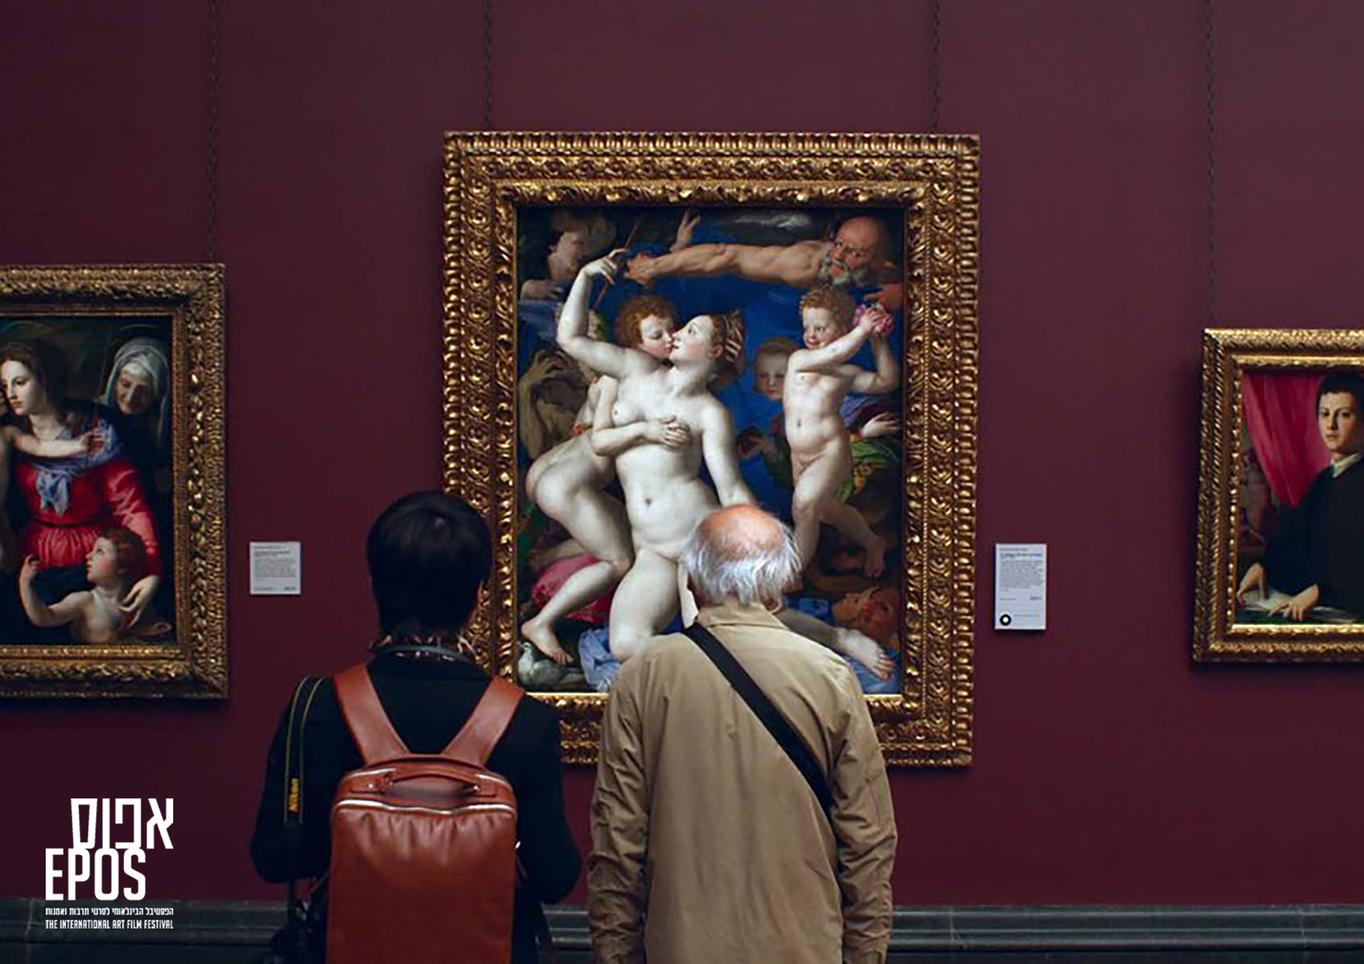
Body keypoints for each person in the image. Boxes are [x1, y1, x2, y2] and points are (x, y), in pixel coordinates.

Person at [250, 491, 581, 964]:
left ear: (374, 583)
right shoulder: (526, 720)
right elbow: (555, 877)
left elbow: (275, 858)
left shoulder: (317, 706)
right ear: (478, 594)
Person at [589, 505, 896, 963]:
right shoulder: (829, 675)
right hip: (803, 945)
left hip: (682, 947)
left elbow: (618, 836)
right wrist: (865, 953)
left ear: (692, 582)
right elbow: (867, 837)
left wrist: (615, 953)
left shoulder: (643, 675)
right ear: (778, 587)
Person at [521, 284, 679, 665]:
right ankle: (542, 623)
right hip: (566, 484)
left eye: (671, 330)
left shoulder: (611, 380)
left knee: (629, 529)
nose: (669, 339)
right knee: (619, 561)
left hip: (553, 472)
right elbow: (601, 441)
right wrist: (646, 431)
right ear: (635, 342)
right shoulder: (617, 379)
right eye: (656, 335)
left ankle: (546, 563)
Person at [588, 304, 754, 662]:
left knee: (714, 632)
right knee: (626, 644)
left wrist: (761, 541)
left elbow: (730, 488)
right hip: (653, 549)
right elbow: (571, 340)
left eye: (691, 331)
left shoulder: (710, 412)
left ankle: (840, 638)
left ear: (714, 351)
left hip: (695, 541)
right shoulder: (638, 374)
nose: (676, 334)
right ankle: (698, 668)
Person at [0, 340, 161, 619]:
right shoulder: (10, 437)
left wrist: (151, 569)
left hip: (90, 557)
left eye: (20, 382)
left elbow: (130, 507)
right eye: (4, 386)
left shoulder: (95, 432)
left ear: (45, 380)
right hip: (31, 553)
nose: (11, 394)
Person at [785, 287, 898, 576]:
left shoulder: (845, 374)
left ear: (843, 329)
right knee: (826, 510)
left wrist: (877, 341)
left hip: (829, 453)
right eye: (807, 327)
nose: (811, 335)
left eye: (820, 328)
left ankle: (790, 573)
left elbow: (887, 381)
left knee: (804, 507)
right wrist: (863, 330)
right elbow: (837, 351)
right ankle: (873, 542)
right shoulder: (799, 359)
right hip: (799, 455)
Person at [1238, 371, 1364, 620]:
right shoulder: (1323, 481)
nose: (1331, 425)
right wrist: (1265, 567)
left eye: (1344, 415)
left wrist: (1321, 593)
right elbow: (1296, 546)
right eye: (1324, 414)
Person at [626, 213, 903, 310]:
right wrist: (655, 267)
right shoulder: (807, 263)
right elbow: (727, 256)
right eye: (838, 244)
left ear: (882, 263)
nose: (838, 256)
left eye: (854, 253)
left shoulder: (902, 270)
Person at [17, 528, 146, 643]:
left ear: (122, 565)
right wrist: (25, 583)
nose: (88, 556)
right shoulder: (85, 600)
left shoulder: (136, 599)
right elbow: (44, 618)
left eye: (100, 551)